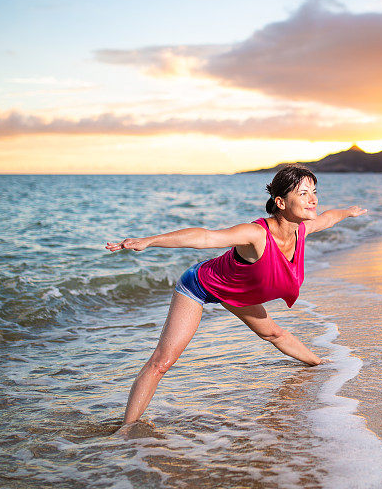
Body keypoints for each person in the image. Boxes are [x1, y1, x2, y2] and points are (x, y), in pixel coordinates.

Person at [106, 164, 367, 425]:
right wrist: (149, 241)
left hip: (237, 294)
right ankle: (126, 431)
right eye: (303, 194)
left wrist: (349, 212)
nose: (313, 199)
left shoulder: (301, 230)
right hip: (198, 285)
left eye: (314, 192)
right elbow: (205, 238)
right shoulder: (256, 234)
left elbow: (329, 217)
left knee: (273, 333)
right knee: (162, 362)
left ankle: (319, 363)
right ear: (281, 202)